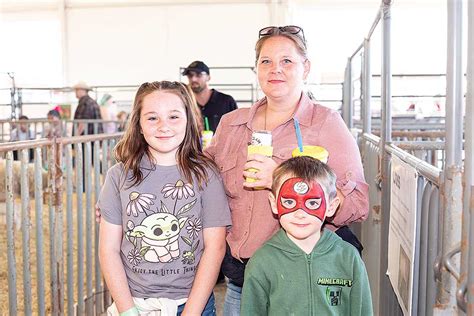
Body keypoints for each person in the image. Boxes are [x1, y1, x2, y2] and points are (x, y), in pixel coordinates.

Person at [205, 25, 369, 314]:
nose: (275, 69)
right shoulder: (231, 124)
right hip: (241, 286)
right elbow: (195, 180)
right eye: (266, 61)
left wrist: (281, 180)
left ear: (305, 68)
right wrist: (130, 193)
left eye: (287, 61)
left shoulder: (326, 124)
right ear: (255, 68)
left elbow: (358, 205)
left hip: (305, 286)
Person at [97, 81, 231, 315]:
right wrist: (127, 309)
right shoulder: (118, 177)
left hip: (191, 302)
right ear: (138, 124)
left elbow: (215, 247)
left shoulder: (206, 175)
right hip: (135, 302)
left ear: (189, 120)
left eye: (174, 117)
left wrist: (191, 311)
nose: (163, 126)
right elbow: (108, 249)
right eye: (152, 118)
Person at [240, 156, 373, 315]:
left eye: (312, 203)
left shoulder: (348, 258)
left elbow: (362, 310)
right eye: (289, 202)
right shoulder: (262, 262)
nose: (300, 214)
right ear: (274, 203)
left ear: (331, 206)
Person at [183, 61, 238, 132]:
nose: (193, 79)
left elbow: (237, 130)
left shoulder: (226, 101)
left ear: (208, 77)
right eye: (190, 76)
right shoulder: (185, 103)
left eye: (198, 75)